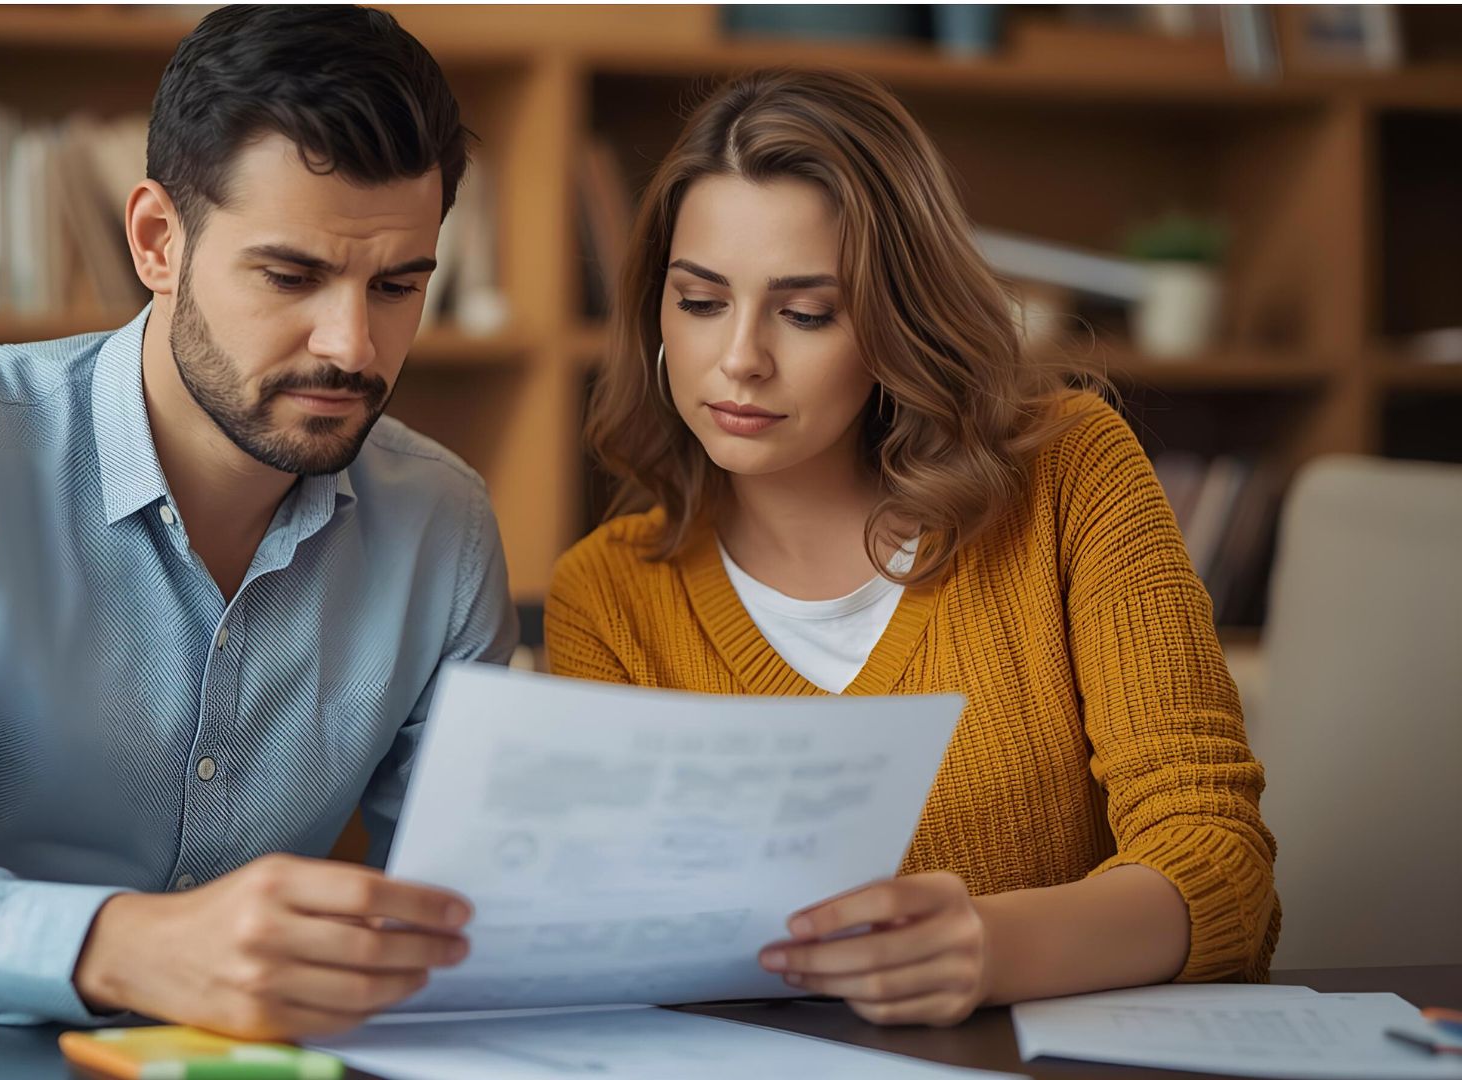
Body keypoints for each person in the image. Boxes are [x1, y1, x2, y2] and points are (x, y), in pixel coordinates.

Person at [0, 6, 515, 1040]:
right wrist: (123, 947)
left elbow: (483, 901)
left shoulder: (443, 522)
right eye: (292, 276)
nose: (352, 345)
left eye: (397, 286)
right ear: (158, 241)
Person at [546, 68, 1277, 1027]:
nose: (740, 359)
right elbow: (620, 939)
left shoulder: (1072, 474)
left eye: (807, 312)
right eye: (700, 301)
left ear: (899, 319)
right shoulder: (607, 594)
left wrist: (996, 948)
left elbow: (1219, 856)